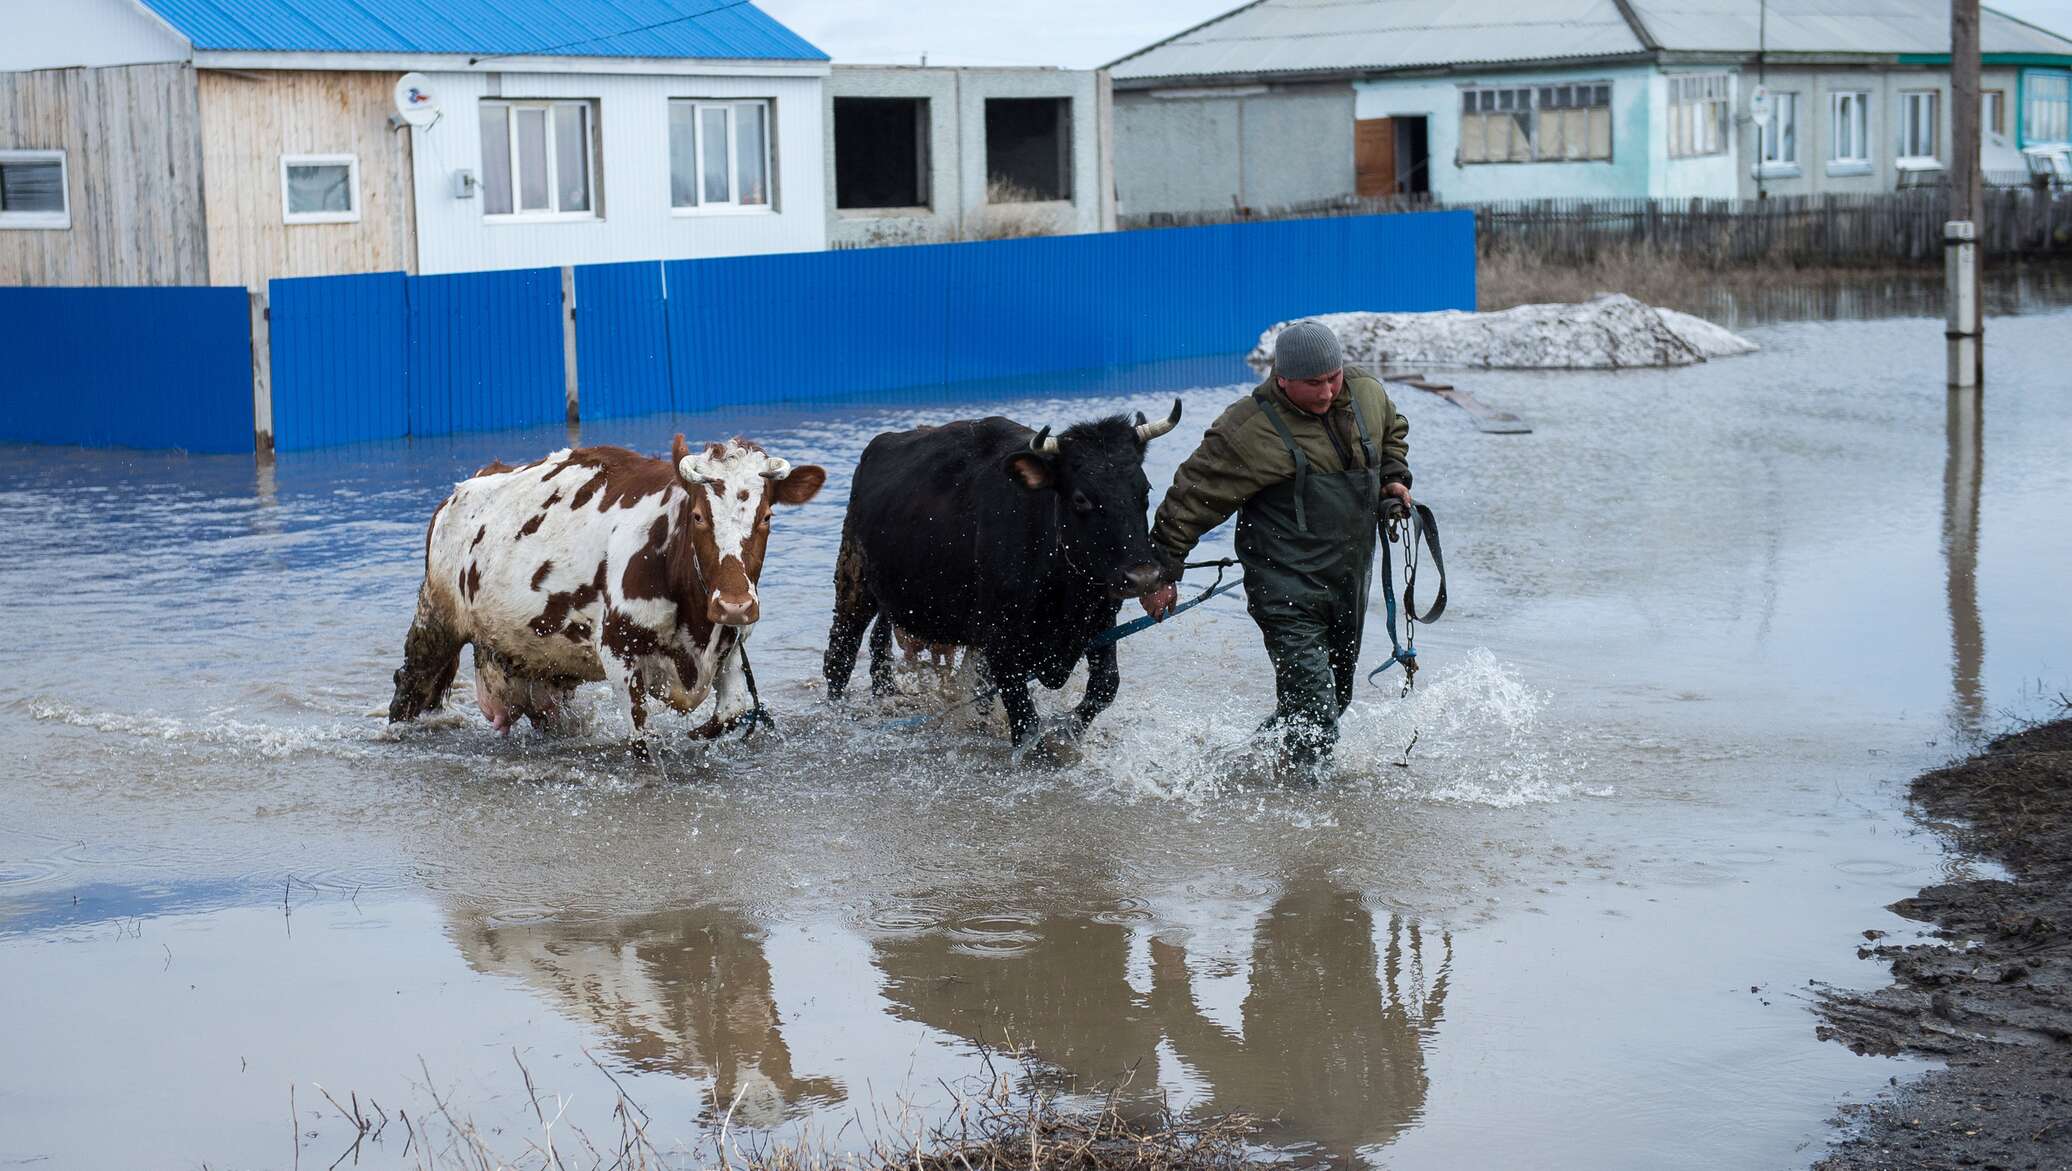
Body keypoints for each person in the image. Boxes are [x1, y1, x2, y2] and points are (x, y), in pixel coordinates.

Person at [1141, 320, 1412, 773]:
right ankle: (1305, 823)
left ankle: (1241, 767)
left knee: (1334, 699)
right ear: (1282, 378)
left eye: (1333, 377)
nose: (1326, 392)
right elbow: (1191, 499)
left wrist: (1392, 480)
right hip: (1284, 586)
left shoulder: (1367, 392)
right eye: (1312, 383)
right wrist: (1162, 573)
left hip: (1349, 577)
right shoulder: (1246, 430)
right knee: (1315, 711)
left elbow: (1393, 432)